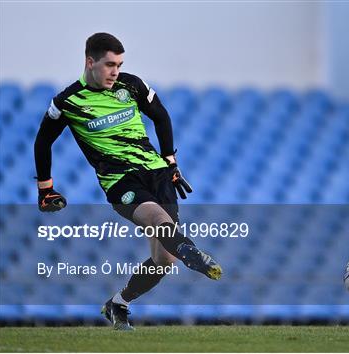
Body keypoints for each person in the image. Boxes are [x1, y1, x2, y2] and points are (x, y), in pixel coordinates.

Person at [34, 32, 222, 331]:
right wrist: (45, 188)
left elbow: (161, 117)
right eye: (109, 64)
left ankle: (118, 304)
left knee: (164, 261)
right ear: (90, 61)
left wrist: (171, 161)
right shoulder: (68, 101)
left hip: (156, 172)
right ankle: (191, 252)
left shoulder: (131, 85)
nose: (115, 71)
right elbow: (43, 142)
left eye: (119, 64)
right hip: (119, 179)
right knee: (158, 220)